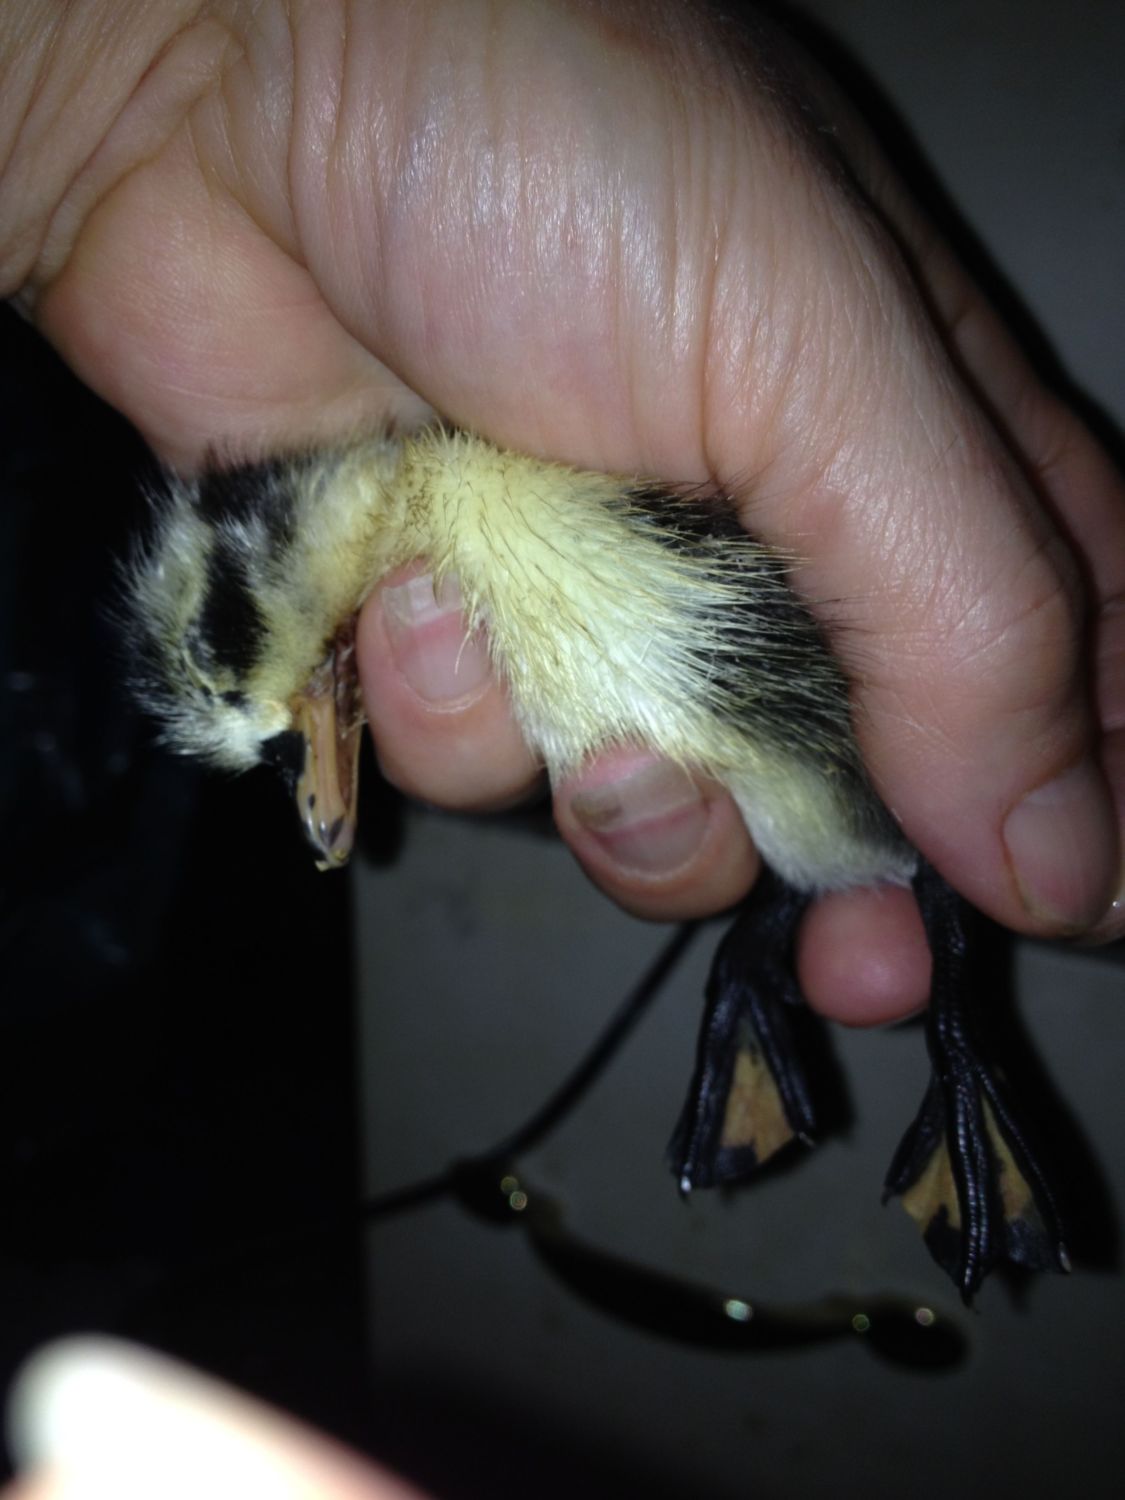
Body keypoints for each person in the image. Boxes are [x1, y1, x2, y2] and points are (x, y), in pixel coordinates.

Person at [1, 0, 1121, 1492]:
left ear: (258, 576)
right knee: (744, 824)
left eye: (283, 710)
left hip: (861, 792)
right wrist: (146, 82)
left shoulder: (494, 476)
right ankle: (762, 980)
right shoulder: (462, 527)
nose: (321, 787)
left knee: (868, 835)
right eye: (294, 746)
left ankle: (951, 1046)